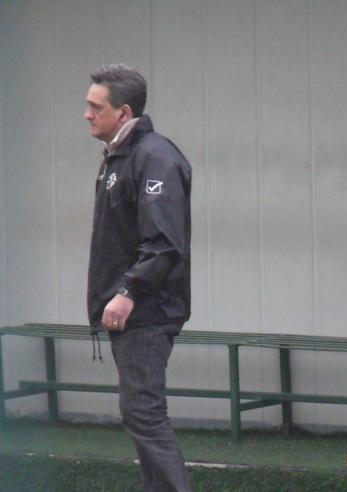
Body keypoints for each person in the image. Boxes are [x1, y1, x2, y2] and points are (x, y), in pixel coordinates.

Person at [84, 64, 192, 492]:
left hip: (147, 311)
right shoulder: (120, 156)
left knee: (144, 414)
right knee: (139, 415)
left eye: (96, 107)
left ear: (124, 112)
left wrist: (128, 291)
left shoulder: (155, 157)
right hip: (134, 311)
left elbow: (165, 243)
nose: (87, 114)